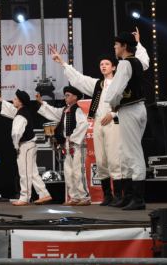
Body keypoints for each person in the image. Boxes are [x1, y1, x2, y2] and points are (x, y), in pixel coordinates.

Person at [51, 28, 149, 206]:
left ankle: (124, 195)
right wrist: (63, 64)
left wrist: (113, 111)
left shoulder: (124, 68)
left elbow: (139, 66)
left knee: (119, 157)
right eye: (101, 64)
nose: (103, 66)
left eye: (107, 63)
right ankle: (111, 195)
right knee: (102, 160)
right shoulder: (99, 84)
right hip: (101, 121)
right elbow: (79, 79)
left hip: (116, 120)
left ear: (113, 66)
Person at [104, 31, 149, 211]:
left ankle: (137, 198)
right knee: (126, 152)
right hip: (139, 108)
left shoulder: (124, 64)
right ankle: (129, 196)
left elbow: (115, 90)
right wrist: (139, 43)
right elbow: (145, 60)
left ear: (123, 46)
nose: (114, 48)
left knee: (132, 153)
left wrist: (113, 104)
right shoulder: (137, 62)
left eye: (117, 45)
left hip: (129, 110)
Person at [0, 90, 52, 206]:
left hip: (26, 146)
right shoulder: (22, 111)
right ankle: (44, 194)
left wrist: (16, 146)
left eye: (15, 99)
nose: (13, 100)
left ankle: (24, 197)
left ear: (20, 102)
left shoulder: (21, 115)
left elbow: (16, 133)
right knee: (32, 172)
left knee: (25, 172)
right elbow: (12, 110)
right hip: (29, 145)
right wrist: (1, 101)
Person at [37, 86, 90, 206]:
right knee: (68, 172)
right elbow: (53, 111)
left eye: (68, 95)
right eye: (65, 95)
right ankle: (74, 197)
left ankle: (84, 197)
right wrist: (42, 103)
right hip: (67, 144)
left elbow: (83, 124)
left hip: (77, 144)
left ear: (75, 97)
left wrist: (73, 138)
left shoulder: (77, 110)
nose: (65, 97)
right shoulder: (65, 110)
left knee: (78, 171)